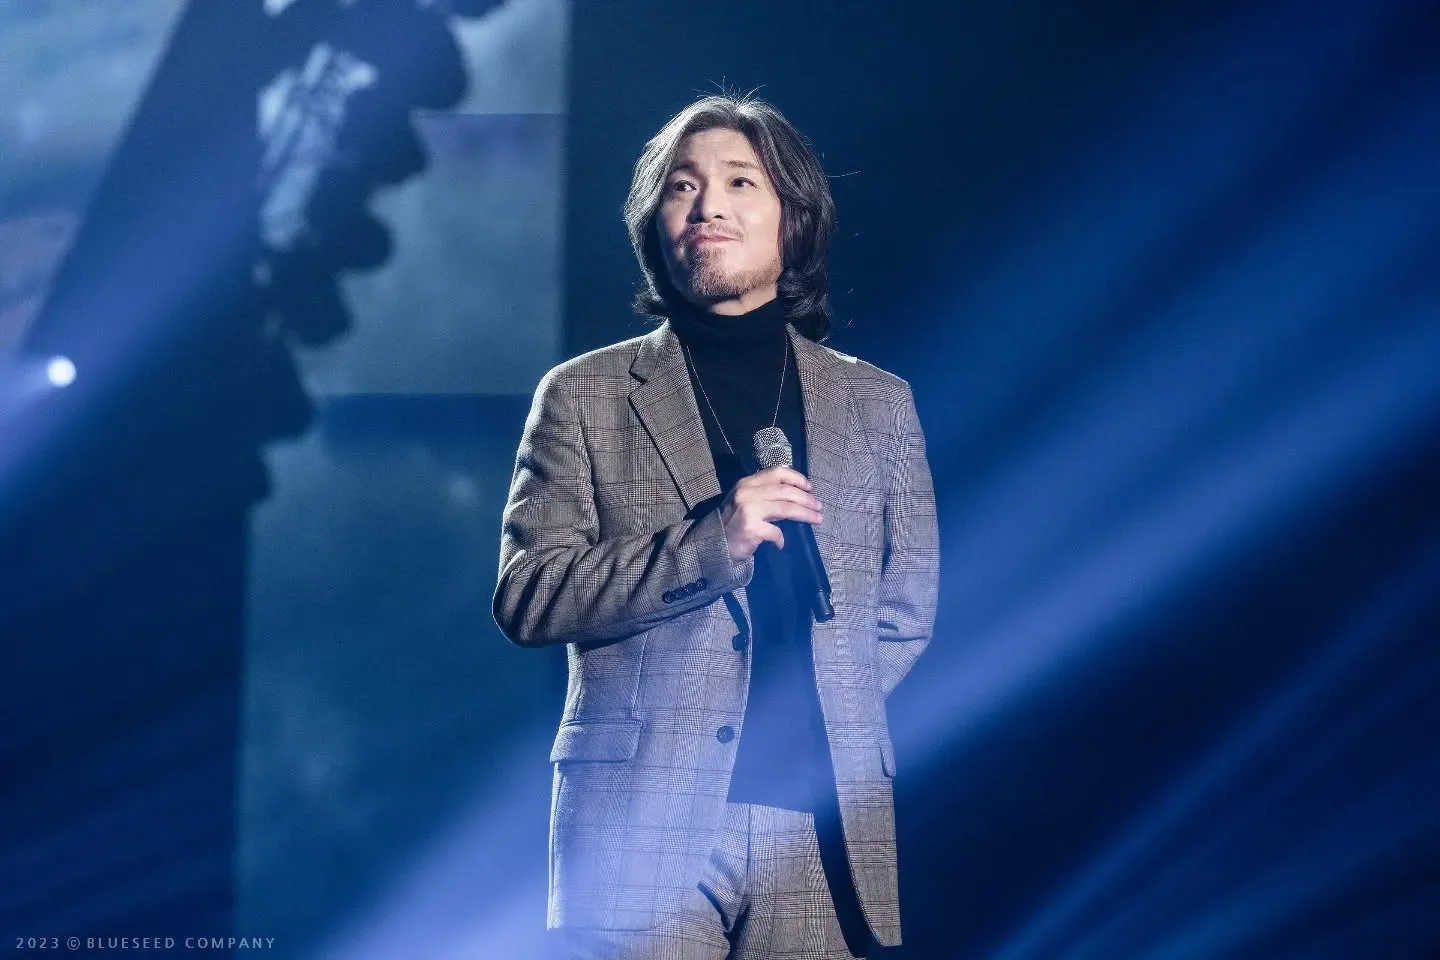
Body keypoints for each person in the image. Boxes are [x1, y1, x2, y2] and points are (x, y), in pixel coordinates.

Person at [492, 93, 939, 959]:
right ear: (655, 225)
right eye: (682, 187)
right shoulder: (583, 393)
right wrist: (709, 547)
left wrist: (830, 704)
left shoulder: (877, 403)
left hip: (820, 829)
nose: (708, 206)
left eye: (740, 181)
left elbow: (905, 610)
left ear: (794, 218)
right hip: (638, 824)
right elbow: (529, 593)